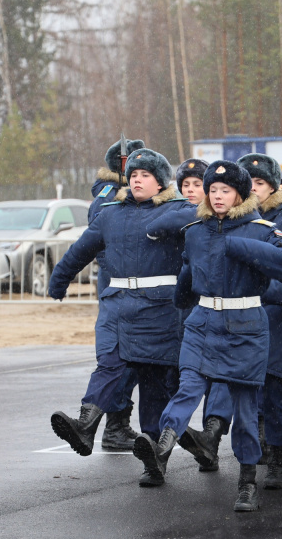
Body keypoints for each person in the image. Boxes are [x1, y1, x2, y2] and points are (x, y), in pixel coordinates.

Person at [135, 160, 282, 511]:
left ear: (240, 193)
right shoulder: (196, 229)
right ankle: (162, 444)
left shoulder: (260, 228)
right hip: (203, 320)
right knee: (188, 386)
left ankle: (247, 482)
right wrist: (181, 298)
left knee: (244, 406)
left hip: (246, 325)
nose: (218, 196)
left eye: (225, 190)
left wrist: (240, 247)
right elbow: (190, 268)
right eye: (213, 190)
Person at [48, 149, 195, 461]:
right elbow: (80, 250)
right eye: (134, 175)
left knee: (154, 381)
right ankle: (85, 425)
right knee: (109, 363)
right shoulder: (112, 213)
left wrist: (164, 219)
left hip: (160, 310)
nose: (138, 180)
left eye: (146, 175)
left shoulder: (178, 209)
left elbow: (196, 215)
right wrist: (58, 281)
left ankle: (154, 454)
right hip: (118, 305)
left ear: (161, 183)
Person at [88, 138, 146, 452]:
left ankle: (117, 422)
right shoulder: (110, 198)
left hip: (130, 287)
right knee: (123, 357)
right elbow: (99, 246)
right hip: (120, 287)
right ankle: (115, 425)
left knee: (133, 356)